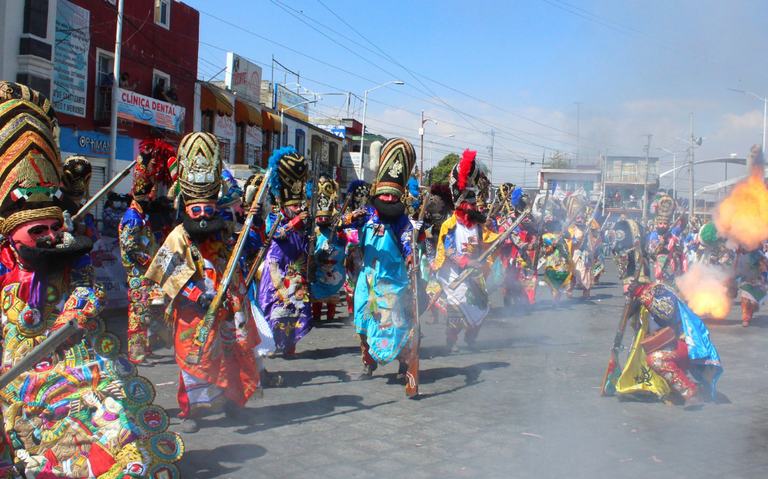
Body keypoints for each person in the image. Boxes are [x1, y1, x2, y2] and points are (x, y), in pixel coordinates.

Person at [0, 81, 184, 476]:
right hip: (15, 368)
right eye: (38, 232)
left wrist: (79, 308)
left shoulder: (68, 256)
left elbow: (90, 285)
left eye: (54, 227)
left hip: (75, 356)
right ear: (10, 235)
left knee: (110, 425)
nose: (50, 237)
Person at [146, 132, 260, 434]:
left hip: (225, 308)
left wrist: (253, 222)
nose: (204, 216)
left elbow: (242, 253)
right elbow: (167, 273)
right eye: (197, 211)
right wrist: (197, 296)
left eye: (208, 210)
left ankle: (230, 404)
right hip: (193, 312)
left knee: (231, 357)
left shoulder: (223, 232)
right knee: (192, 364)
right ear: (186, 210)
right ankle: (190, 412)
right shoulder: (178, 236)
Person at [342, 139, 416, 381]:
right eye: (383, 195)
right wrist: (352, 215)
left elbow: (407, 243)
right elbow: (340, 222)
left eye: (391, 196)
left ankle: (404, 365)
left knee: (396, 324)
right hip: (368, 279)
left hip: (393, 281)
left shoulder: (402, 221)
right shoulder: (366, 215)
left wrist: (411, 257)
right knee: (363, 321)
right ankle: (368, 365)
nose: (387, 200)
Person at [433, 150, 500, 352]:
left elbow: (490, 242)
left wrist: (498, 242)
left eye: (474, 204)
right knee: (456, 312)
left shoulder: (480, 226)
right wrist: (465, 262)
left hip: (474, 275)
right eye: (469, 204)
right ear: (461, 206)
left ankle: (471, 339)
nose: (474, 207)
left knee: (481, 306)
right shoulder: (450, 225)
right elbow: (449, 249)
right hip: (454, 274)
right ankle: (450, 341)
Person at [119, 138, 174, 363]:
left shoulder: (143, 215)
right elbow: (130, 247)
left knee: (152, 311)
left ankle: (149, 346)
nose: (152, 197)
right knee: (139, 313)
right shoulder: (132, 217)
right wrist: (149, 261)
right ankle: (136, 353)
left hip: (150, 273)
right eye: (149, 194)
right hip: (138, 273)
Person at [257, 147, 312, 359]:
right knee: (274, 305)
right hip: (276, 267)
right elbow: (274, 235)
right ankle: (271, 343)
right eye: (295, 205)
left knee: (296, 307)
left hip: (296, 266)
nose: (299, 208)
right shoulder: (275, 216)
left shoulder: (304, 218)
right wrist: (296, 222)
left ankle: (290, 346)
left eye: (300, 205)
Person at [310, 174, 346, 323]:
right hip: (319, 265)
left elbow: (343, 241)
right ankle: (316, 315)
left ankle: (330, 315)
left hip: (332, 266)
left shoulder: (336, 227)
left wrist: (339, 230)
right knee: (316, 288)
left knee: (332, 285)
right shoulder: (314, 229)